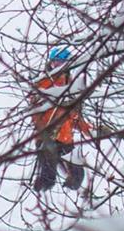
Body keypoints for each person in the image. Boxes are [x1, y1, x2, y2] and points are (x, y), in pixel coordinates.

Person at [29, 46, 88, 197]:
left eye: (62, 62)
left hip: (65, 138)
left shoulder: (71, 85)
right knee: (47, 180)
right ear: (51, 62)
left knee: (77, 177)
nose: (59, 66)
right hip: (47, 138)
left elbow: (75, 116)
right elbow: (35, 112)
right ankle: (37, 200)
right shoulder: (43, 83)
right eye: (56, 62)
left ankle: (75, 201)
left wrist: (90, 130)